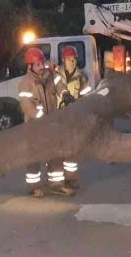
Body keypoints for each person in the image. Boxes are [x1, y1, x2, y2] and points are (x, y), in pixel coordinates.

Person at [18, 47, 76, 198]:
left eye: (41, 63)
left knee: (55, 154)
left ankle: (56, 185)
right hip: (35, 126)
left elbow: (59, 86)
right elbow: (27, 106)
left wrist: (65, 95)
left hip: (51, 124)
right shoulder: (26, 83)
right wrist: (42, 118)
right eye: (37, 64)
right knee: (34, 158)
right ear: (30, 66)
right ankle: (33, 187)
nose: (40, 66)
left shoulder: (51, 76)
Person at [54, 46, 90, 190]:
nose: (73, 61)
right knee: (57, 150)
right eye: (70, 59)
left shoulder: (82, 77)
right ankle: (57, 180)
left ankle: (71, 179)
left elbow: (86, 96)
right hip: (57, 117)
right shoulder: (56, 75)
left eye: (74, 59)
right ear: (64, 60)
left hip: (73, 117)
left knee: (71, 150)